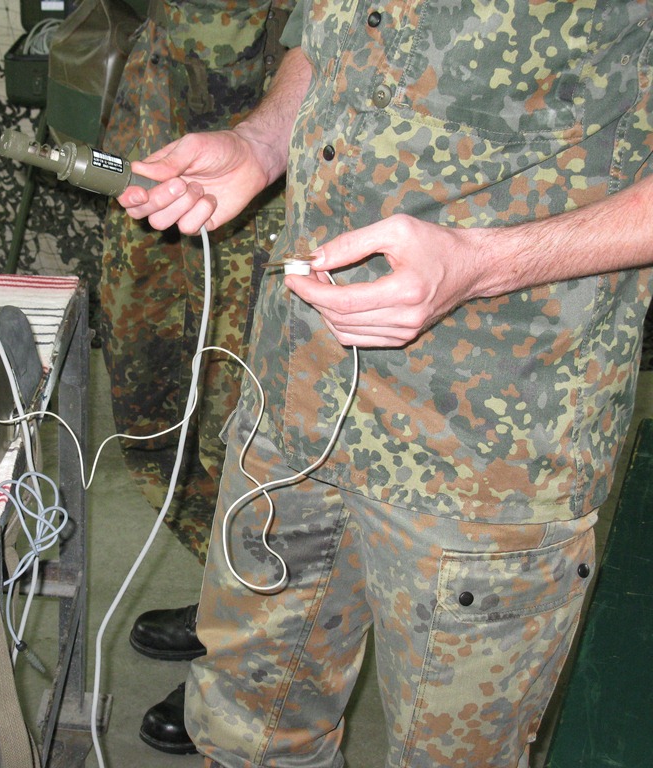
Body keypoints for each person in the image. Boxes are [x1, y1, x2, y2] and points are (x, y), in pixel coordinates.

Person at [115, 1, 653, 765]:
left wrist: (482, 264)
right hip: (296, 391)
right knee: (245, 733)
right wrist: (259, 144)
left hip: (488, 438)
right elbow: (333, 35)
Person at [99, 0, 292, 754]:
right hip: (157, 139)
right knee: (154, 412)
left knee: (249, 447)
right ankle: (224, 601)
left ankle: (248, 664)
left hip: (268, 176)